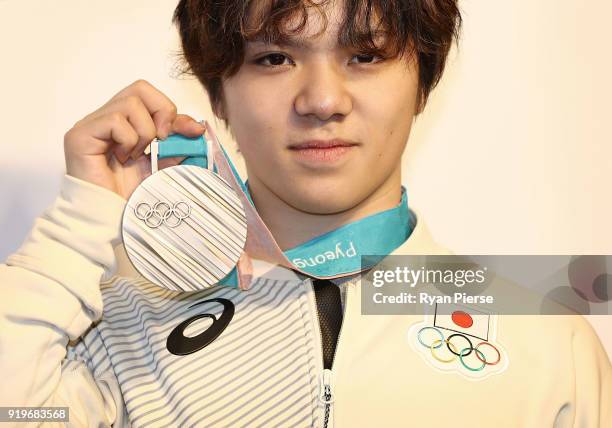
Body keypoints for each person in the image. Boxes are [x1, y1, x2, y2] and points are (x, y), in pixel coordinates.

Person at [0, 0, 609, 427]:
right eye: (273, 58)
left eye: (366, 55)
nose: (322, 100)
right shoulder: (123, 325)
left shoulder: (547, 333)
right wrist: (80, 223)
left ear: (423, 82)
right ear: (217, 95)